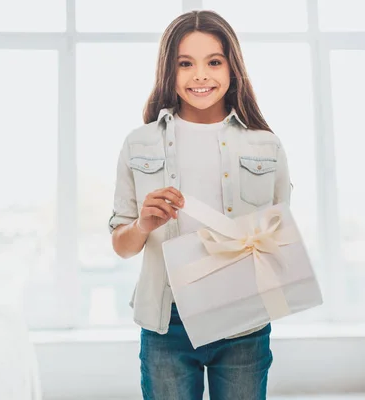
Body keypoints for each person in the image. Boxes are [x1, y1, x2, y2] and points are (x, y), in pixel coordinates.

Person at [109, 9, 293, 400]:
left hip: (243, 321)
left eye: (213, 61)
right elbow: (121, 245)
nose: (200, 76)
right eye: (185, 63)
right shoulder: (139, 143)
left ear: (232, 67)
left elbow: (279, 241)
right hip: (167, 321)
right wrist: (143, 224)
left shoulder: (266, 145)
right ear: (168, 71)